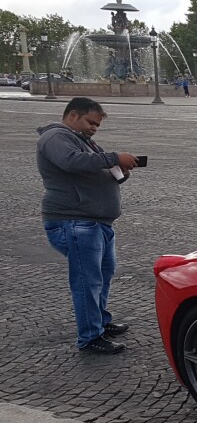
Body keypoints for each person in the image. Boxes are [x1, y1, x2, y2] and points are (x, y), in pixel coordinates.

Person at [37, 98, 139, 355]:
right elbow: (72, 162)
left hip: (95, 222)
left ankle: (100, 323)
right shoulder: (56, 137)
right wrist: (114, 157)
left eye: (97, 124)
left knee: (101, 277)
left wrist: (119, 172)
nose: (94, 128)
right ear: (73, 115)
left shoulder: (83, 140)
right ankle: (90, 337)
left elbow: (93, 169)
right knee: (87, 281)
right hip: (75, 221)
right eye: (91, 122)